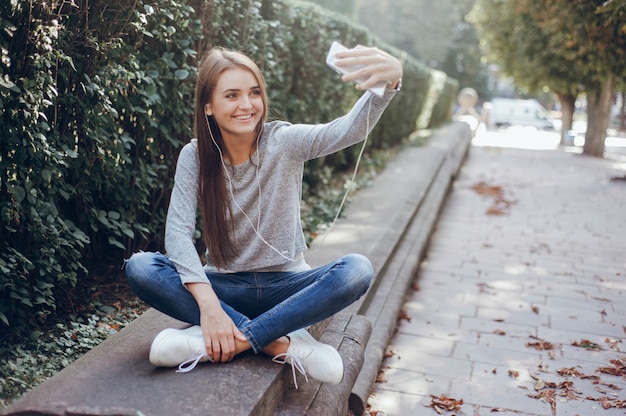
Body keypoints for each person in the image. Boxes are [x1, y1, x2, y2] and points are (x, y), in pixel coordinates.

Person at [124, 44, 403, 388]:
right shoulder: (194, 156)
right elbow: (178, 234)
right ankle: (282, 344)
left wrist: (390, 83)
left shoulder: (283, 141)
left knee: (357, 270)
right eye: (232, 95)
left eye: (254, 92)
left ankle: (232, 340)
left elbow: (346, 130)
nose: (246, 104)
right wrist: (210, 306)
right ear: (208, 106)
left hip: (286, 288)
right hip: (225, 288)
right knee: (141, 267)